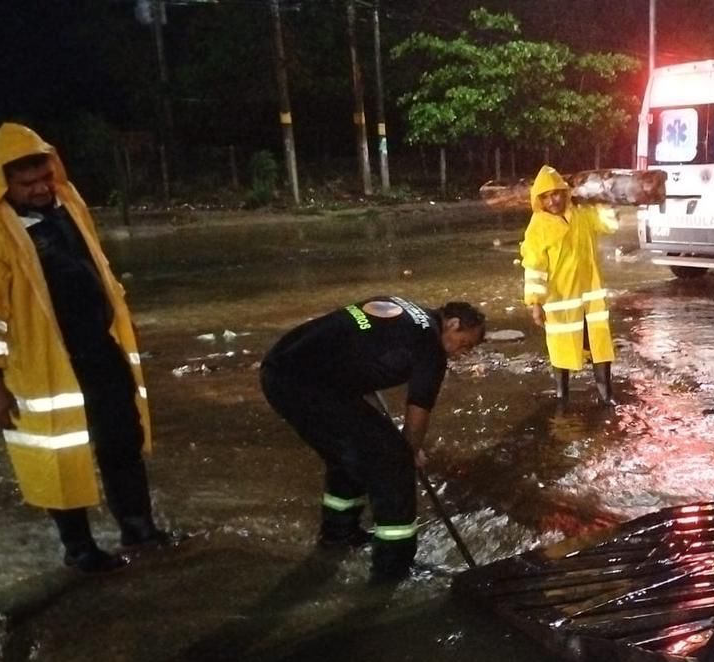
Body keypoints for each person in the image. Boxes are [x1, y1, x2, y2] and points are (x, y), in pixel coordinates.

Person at [0, 123, 167, 573]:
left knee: (122, 437)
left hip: (98, 349)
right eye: (27, 184)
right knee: (59, 454)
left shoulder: (69, 203)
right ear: (7, 184)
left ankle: (139, 527)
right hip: (42, 362)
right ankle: (80, 549)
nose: (41, 188)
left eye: (44, 176)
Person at [260, 298, 485, 582]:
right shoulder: (430, 345)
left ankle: (339, 535)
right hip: (304, 384)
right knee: (392, 465)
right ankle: (393, 567)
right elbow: (418, 410)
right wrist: (409, 452)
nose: (462, 353)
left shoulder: (403, 307)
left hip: (281, 366)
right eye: (465, 343)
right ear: (452, 324)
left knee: (351, 451)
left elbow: (360, 348)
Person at [521, 165, 618, 406]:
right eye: (545, 196)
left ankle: (607, 397)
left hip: (591, 297)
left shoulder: (583, 214)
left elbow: (609, 225)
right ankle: (562, 397)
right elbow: (534, 267)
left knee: (600, 346)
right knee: (561, 348)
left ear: (565, 193)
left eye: (556, 194)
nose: (552, 200)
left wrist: (603, 201)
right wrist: (536, 303)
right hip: (560, 300)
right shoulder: (538, 227)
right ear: (539, 200)